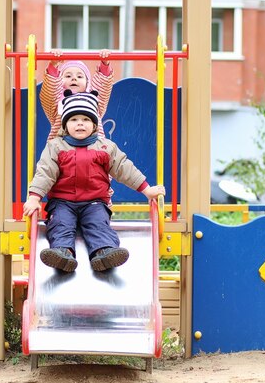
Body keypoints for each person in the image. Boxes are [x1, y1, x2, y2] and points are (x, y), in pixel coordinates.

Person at [23, 90, 165, 272]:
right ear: (66, 125)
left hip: (94, 202)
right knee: (60, 224)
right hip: (62, 202)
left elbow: (124, 169)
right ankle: (62, 253)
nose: (80, 123)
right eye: (74, 120)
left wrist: (147, 190)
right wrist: (34, 197)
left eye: (86, 119)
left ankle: (104, 253)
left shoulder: (105, 147)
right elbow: (45, 172)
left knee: (99, 224)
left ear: (95, 124)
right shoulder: (56, 146)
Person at [40, 49, 113, 140]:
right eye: (68, 76)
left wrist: (105, 64)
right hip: (64, 147)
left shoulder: (94, 97)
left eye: (79, 76)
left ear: (87, 82)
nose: (74, 78)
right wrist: (53, 64)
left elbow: (103, 84)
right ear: (59, 81)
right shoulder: (58, 100)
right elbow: (50, 89)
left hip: (92, 147)